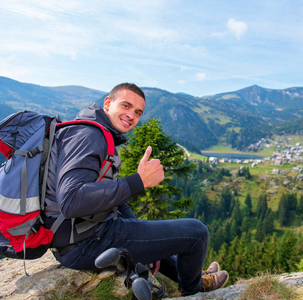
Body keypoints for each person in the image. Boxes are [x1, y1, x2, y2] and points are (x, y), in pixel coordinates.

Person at [43, 82, 229, 295]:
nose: (131, 115)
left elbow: (110, 198)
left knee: (156, 237)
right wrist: (138, 181)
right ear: (107, 103)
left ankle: (194, 275)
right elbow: (71, 201)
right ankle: (194, 289)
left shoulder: (94, 131)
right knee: (197, 233)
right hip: (83, 243)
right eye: (125, 106)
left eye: (137, 112)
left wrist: (143, 241)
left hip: (85, 233)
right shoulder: (88, 136)